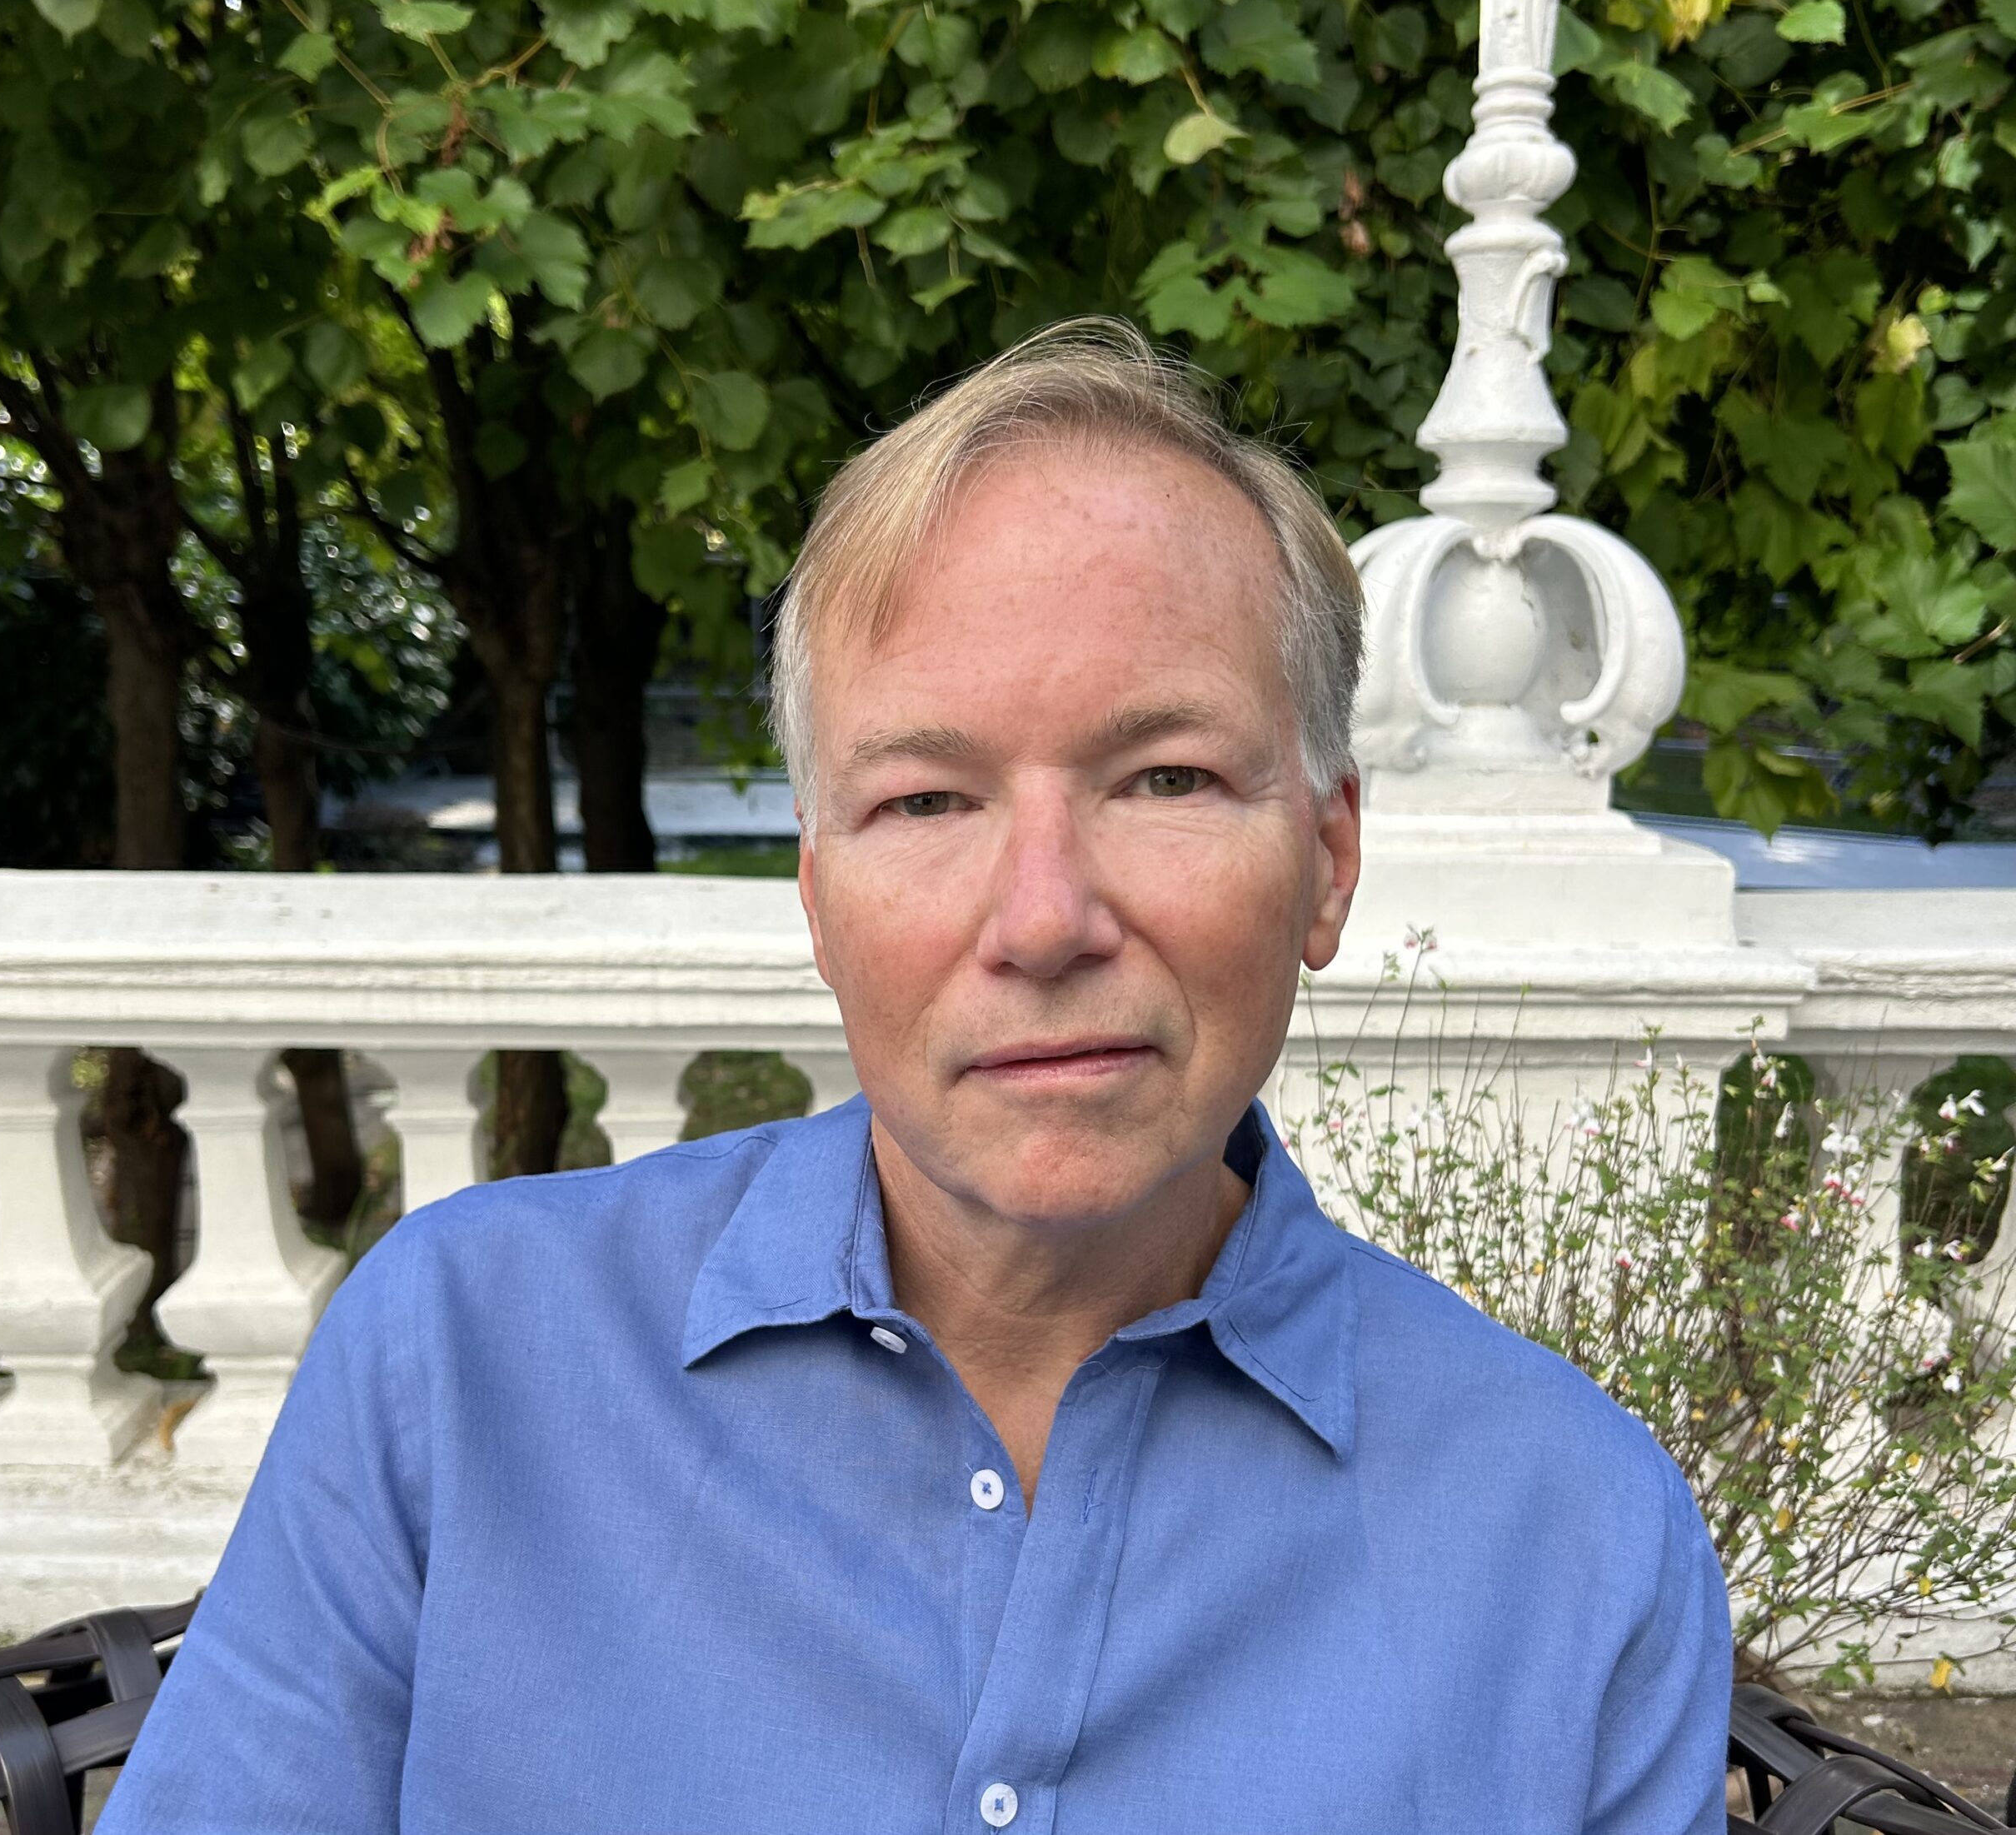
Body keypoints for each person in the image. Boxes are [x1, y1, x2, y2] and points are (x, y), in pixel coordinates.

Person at [100, 320, 1731, 1833]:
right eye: (927, 801)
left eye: (1164, 777)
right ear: (820, 903)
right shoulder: (460, 1365)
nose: (1044, 919)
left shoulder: (1575, 1543)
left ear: (1326, 859)